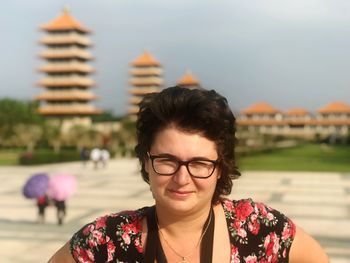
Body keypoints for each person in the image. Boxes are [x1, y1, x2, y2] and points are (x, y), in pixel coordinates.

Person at [48, 86, 328, 262]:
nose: (182, 178)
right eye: (167, 161)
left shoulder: (261, 229)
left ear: (221, 167)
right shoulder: (107, 240)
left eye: (199, 163)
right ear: (146, 162)